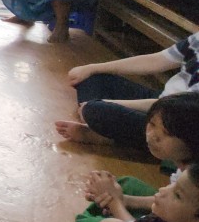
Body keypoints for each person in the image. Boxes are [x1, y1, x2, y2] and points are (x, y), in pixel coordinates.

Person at [59, 93, 199, 222]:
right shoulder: (189, 173)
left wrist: (114, 202)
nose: (152, 136)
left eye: (166, 133)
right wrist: (124, 200)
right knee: (128, 184)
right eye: (152, 124)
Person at [55, 32, 199, 148]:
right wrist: (92, 68)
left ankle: (109, 136)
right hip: (161, 99)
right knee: (91, 78)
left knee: (94, 110)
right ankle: (106, 130)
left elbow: (179, 108)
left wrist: (106, 103)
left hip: (177, 119)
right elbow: (156, 60)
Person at [93, 163, 199, 222]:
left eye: (177, 195)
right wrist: (116, 201)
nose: (163, 189)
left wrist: (113, 202)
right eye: (173, 184)